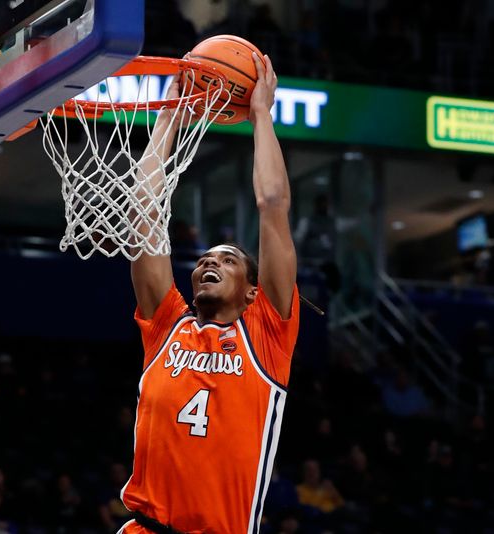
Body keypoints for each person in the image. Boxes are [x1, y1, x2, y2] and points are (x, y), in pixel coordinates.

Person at [118, 54, 300, 533]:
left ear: (252, 292)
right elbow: (146, 212)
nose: (208, 262)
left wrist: (262, 114)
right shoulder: (166, 327)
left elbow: (273, 206)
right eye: (203, 259)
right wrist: (169, 118)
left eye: (227, 259)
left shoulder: (267, 334)